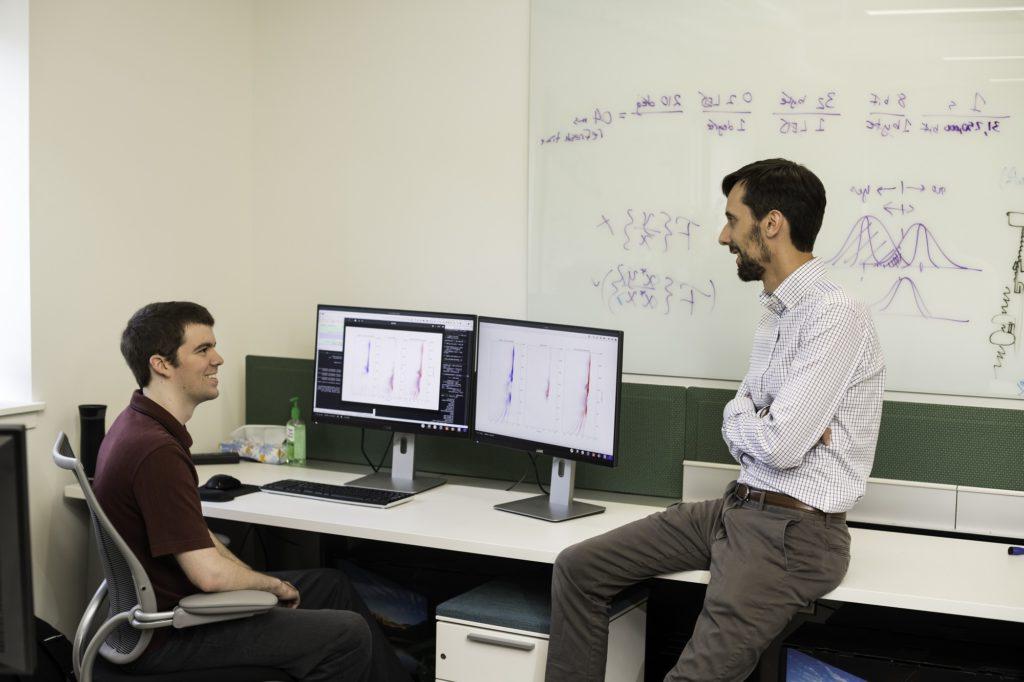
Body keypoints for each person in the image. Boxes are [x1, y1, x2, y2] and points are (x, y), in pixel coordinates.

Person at [544, 159, 886, 681]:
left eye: (733, 219)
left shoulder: (835, 314)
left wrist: (766, 424)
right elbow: (745, 424)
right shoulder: (776, 311)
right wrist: (762, 421)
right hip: (739, 505)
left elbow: (779, 447)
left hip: (794, 533)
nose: (723, 235)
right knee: (579, 568)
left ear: (771, 224)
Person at [93, 301, 411, 682]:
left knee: (332, 585)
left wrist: (252, 578)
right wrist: (273, 586)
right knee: (349, 634)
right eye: (202, 350)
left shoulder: (136, 425)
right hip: (173, 633)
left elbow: (198, 538)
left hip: (165, 613)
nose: (218, 358)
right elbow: (209, 575)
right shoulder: (156, 450)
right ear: (161, 364)